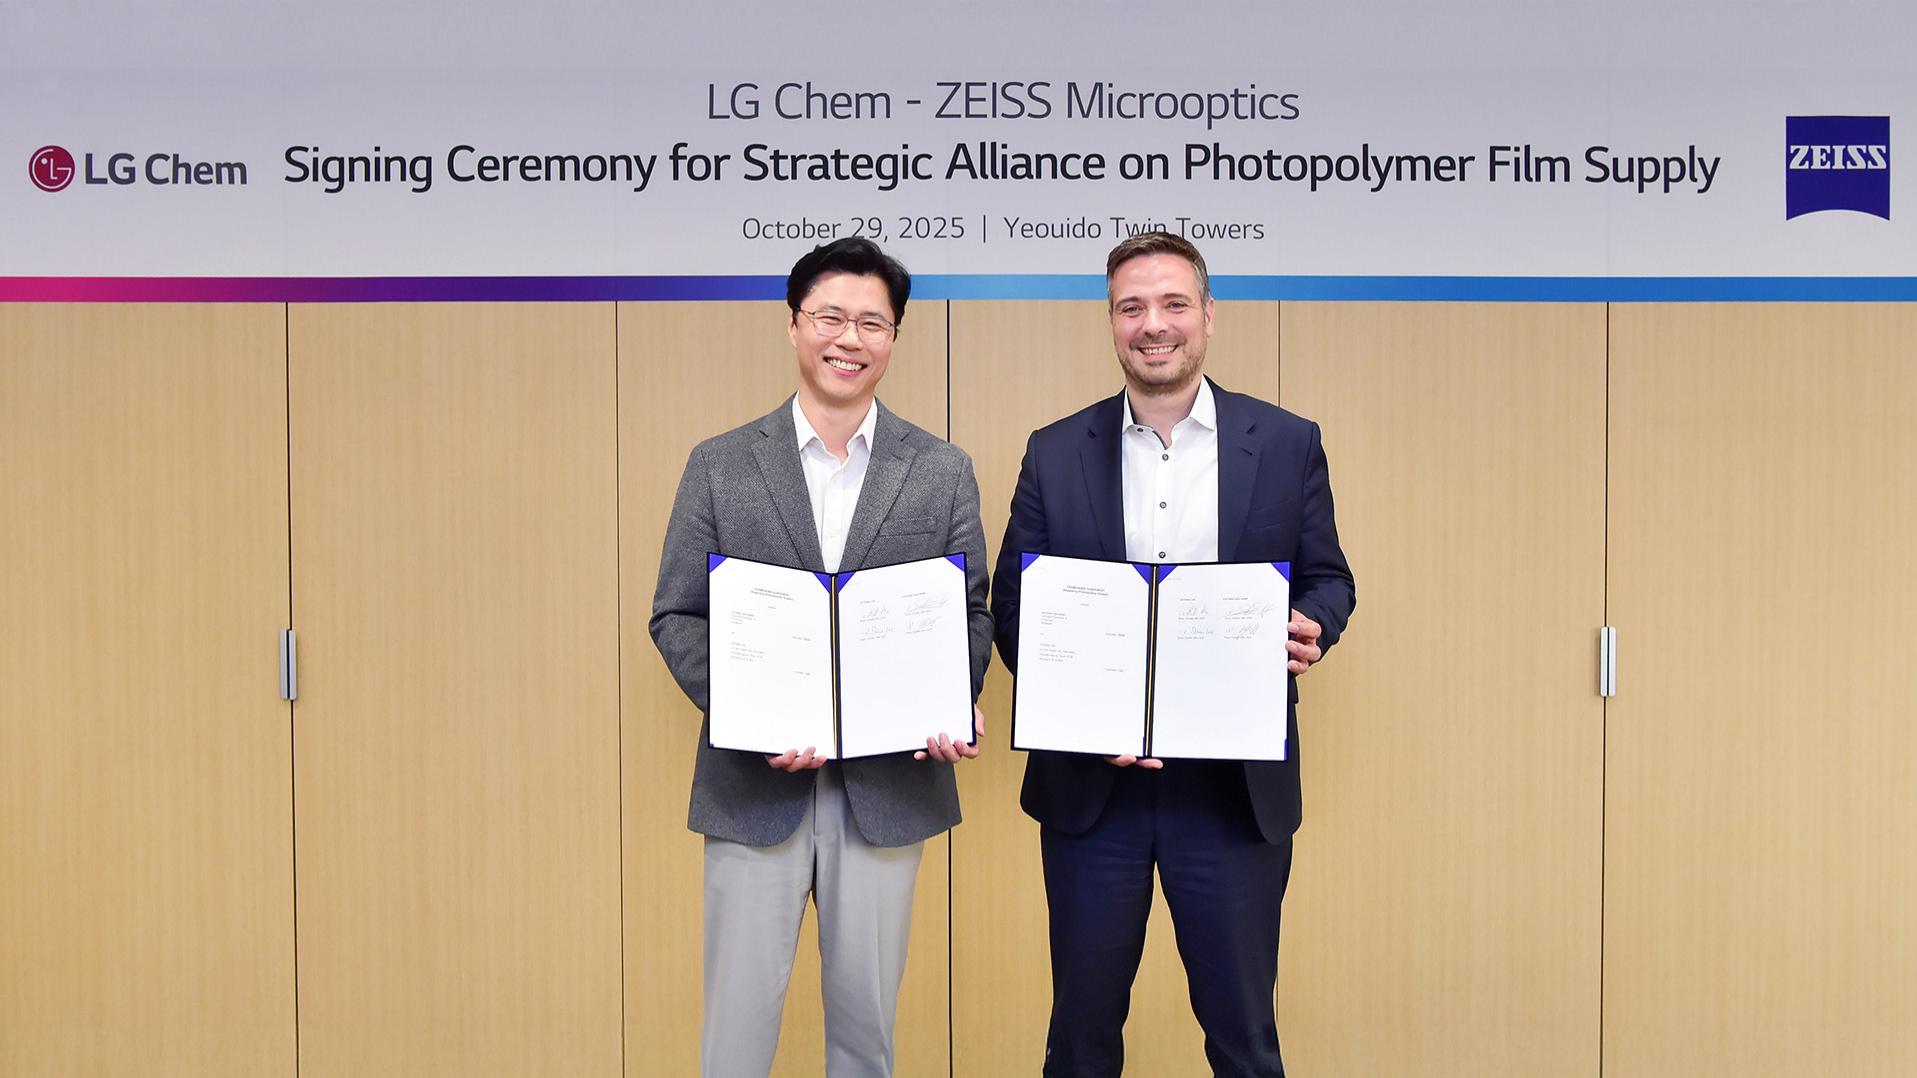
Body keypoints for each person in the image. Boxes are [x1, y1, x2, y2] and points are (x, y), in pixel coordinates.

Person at [990, 232, 1355, 1077]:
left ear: (1207, 316)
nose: (1152, 324)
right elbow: (1015, 605)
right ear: (1111, 322)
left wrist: (1312, 623)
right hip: (1093, 789)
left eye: (1172, 304)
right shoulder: (1054, 449)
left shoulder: (1288, 441)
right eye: (1131, 308)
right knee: (1079, 1041)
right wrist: (1075, 705)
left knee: (1242, 1039)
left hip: (1230, 794)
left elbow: (1329, 578)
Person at [650, 236, 992, 1078]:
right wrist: (750, 712)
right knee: (734, 1037)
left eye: (872, 322)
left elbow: (970, 613)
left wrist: (952, 697)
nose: (850, 337)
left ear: (894, 337)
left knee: (866, 1036)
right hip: (753, 785)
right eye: (830, 316)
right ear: (794, 325)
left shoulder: (941, 470)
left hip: (888, 790)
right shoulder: (720, 464)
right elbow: (676, 615)